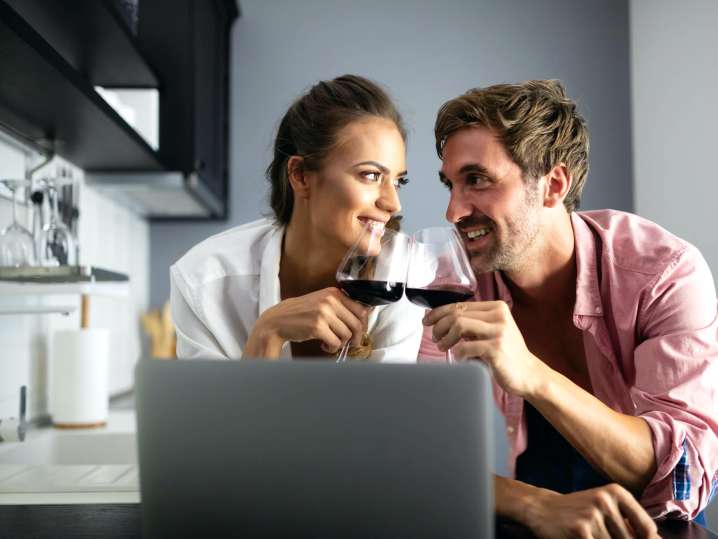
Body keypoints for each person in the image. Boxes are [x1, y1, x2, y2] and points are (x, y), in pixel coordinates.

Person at [420, 80, 718, 537]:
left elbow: (680, 474)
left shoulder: (665, 273)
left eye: (476, 180)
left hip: (651, 515)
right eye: (451, 184)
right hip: (535, 492)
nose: (453, 211)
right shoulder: (452, 281)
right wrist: (535, 504)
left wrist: (533, 375)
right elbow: (418, 456)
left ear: (553, 185)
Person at [171, 74, 422, 362]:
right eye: (370, 175)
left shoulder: (402, 274)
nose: (393, 203)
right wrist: (268, 332)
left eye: (398, 181)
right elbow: (212, 409)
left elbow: (390, 405)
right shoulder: (203, 279)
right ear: (300, 175)